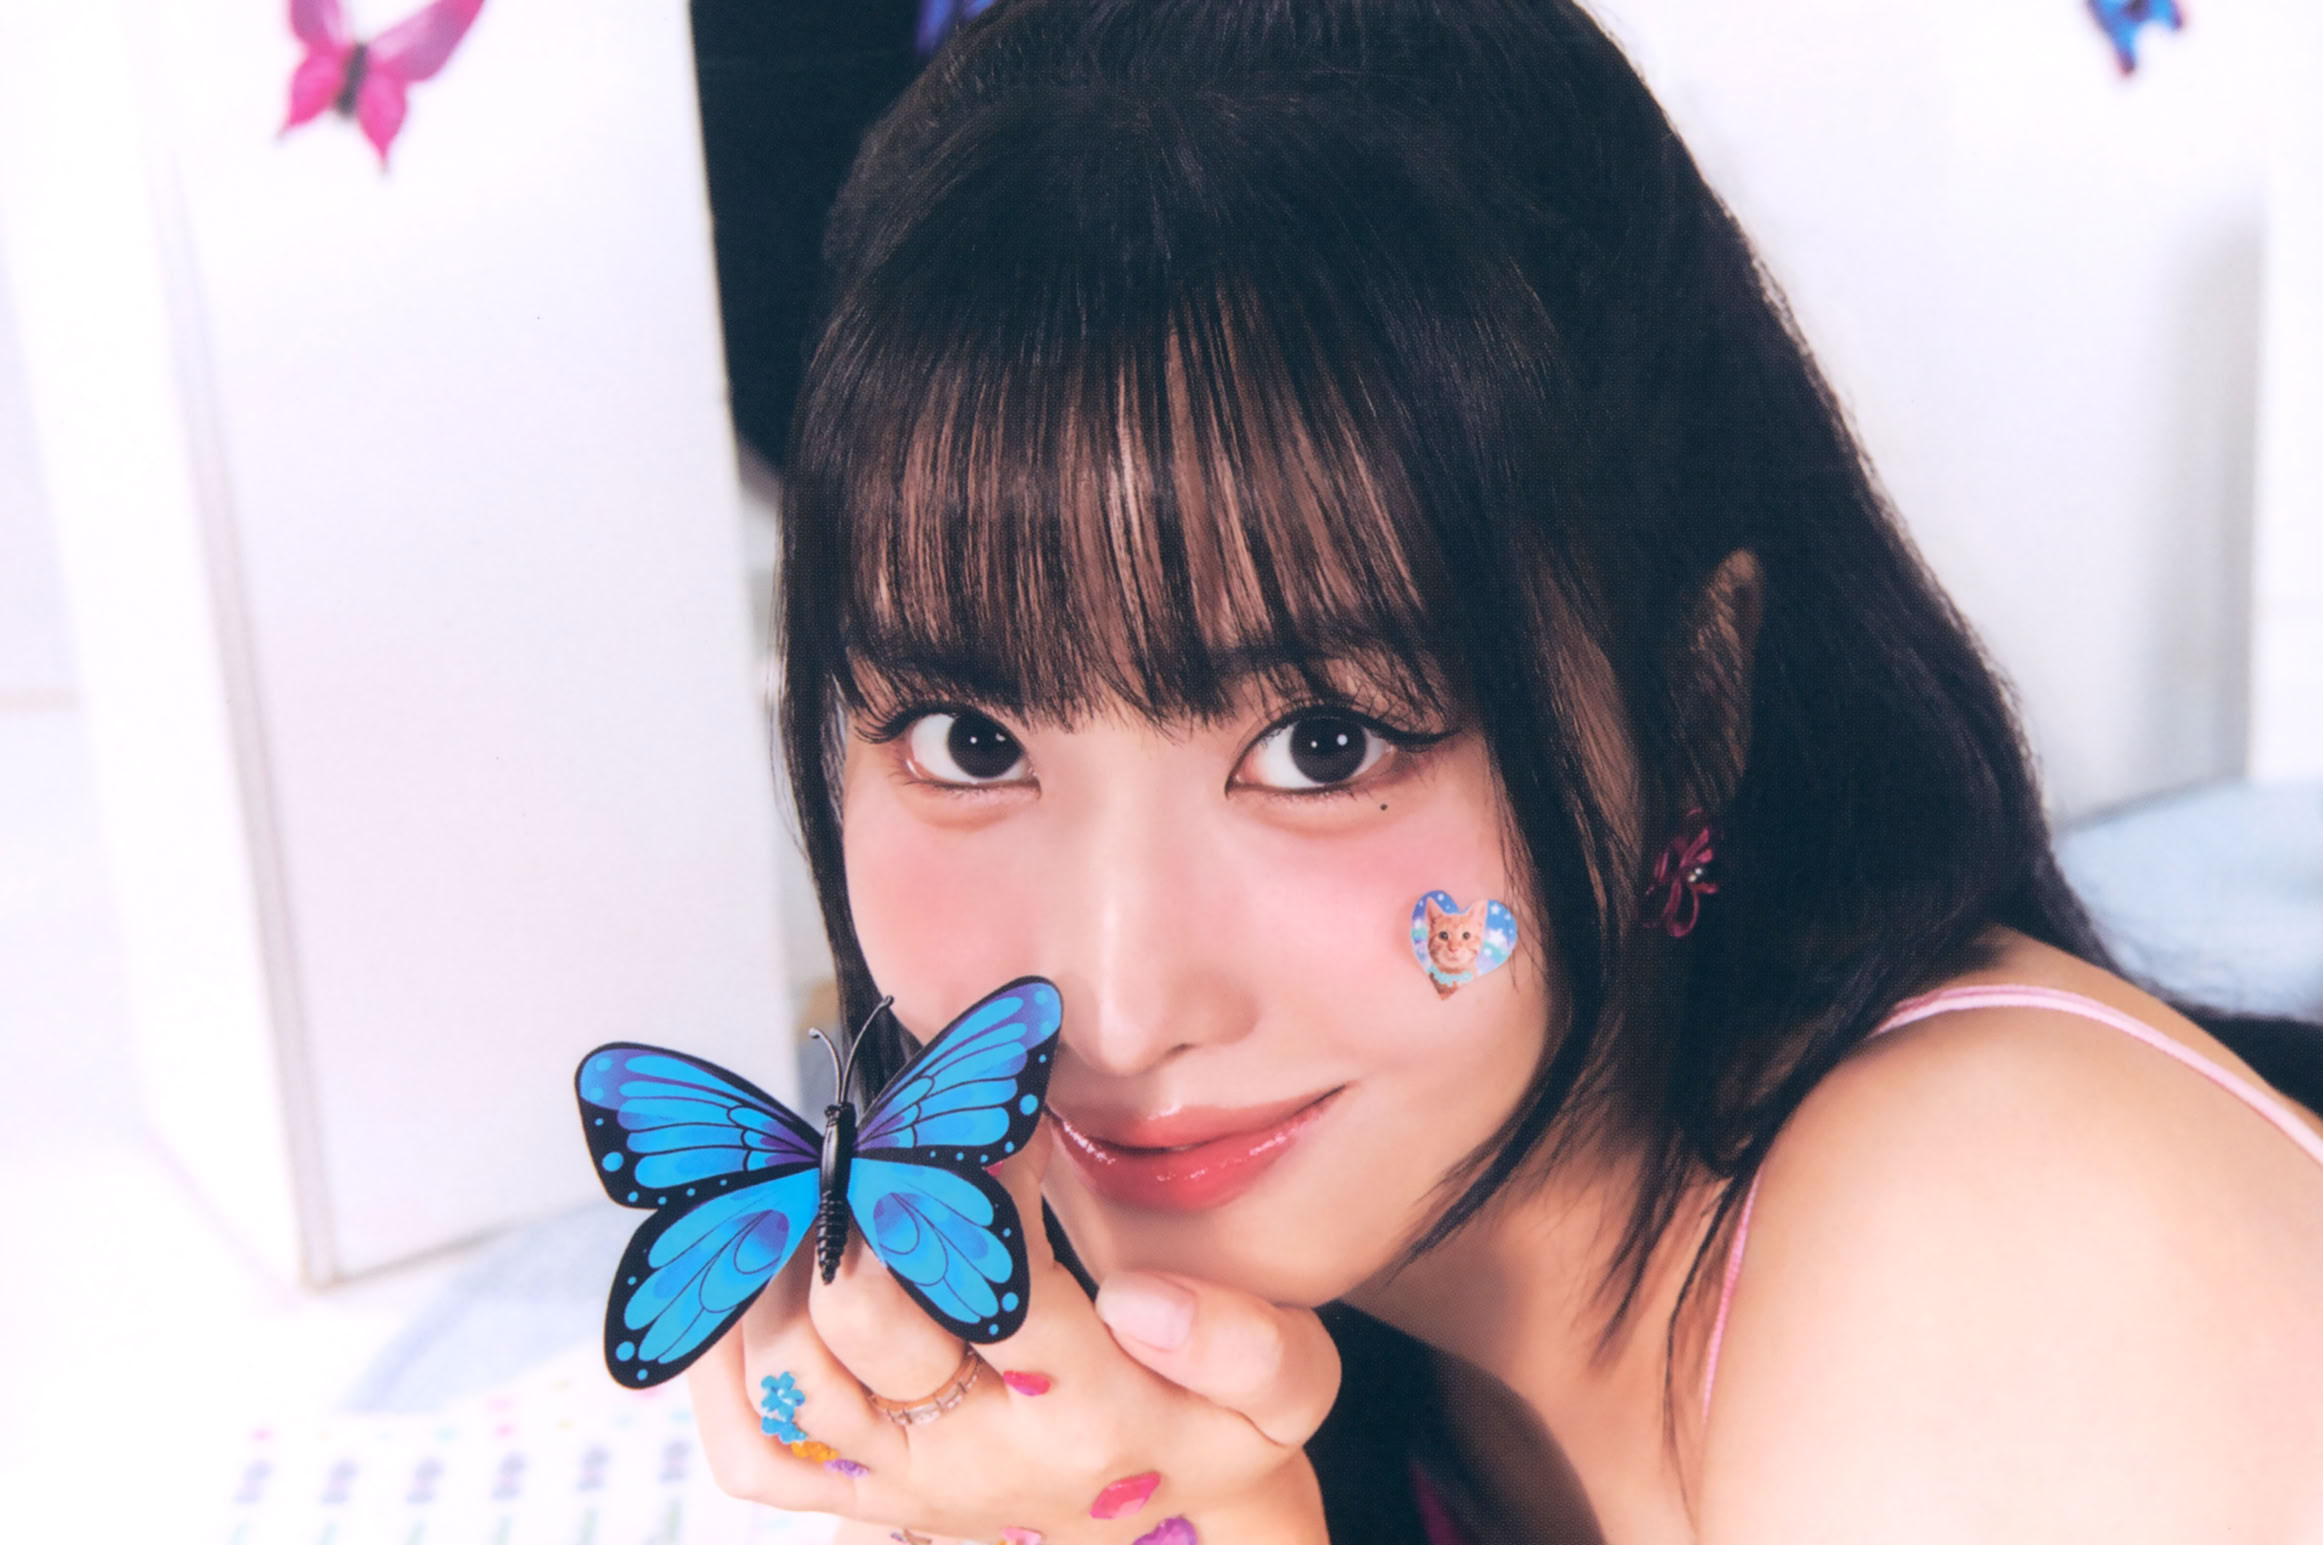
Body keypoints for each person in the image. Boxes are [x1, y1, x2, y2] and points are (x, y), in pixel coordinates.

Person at [683, 1, 2323, 1539]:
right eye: (968, 743)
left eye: (1323, 745)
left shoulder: (2006, 1261)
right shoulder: (1323, 1336)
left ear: (1692, 707)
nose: (1115, 1005)